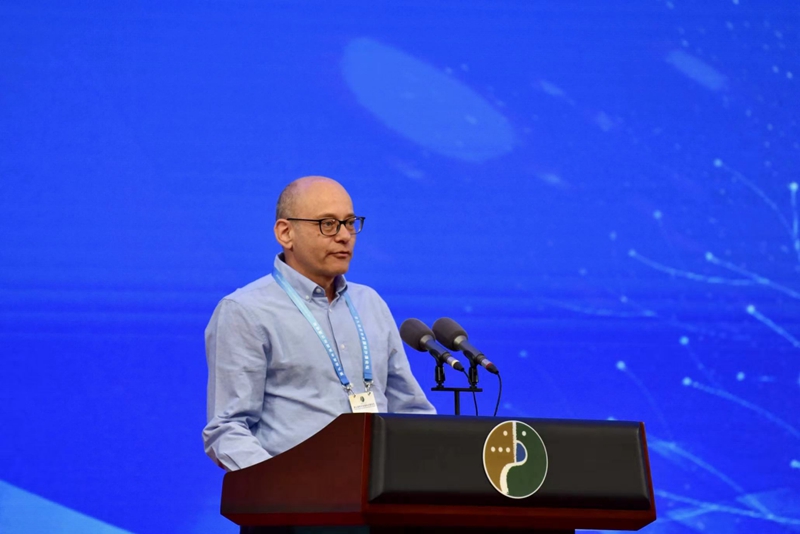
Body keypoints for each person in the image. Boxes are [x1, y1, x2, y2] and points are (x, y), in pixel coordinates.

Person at [203, 176, 436, 471]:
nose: (344, 236)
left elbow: (410, 410)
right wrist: (281, 486)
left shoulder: (370, 303)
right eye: (328, 224)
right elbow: (227, 429)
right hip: (295, 494)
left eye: (349, 223)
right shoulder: (246, 311)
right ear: (286, 233)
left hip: (378, 491)